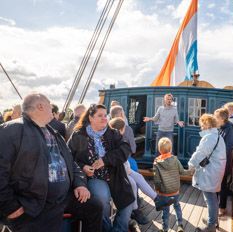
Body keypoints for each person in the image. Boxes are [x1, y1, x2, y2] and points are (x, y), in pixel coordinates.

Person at [0, 93, 103, 232]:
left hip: (62, 198)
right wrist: (10, 207)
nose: (55, 110)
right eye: (50, 104)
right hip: (33, 203)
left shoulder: (53, 132)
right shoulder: (12, 130)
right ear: (41, 106)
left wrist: (80, 184)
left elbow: (71, 162)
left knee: (94, 207)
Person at [68, 104, 135, 232]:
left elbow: (126, 149)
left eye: (105, 115)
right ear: (90, 118)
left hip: (115, 174)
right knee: (101, 198)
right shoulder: (79, 135)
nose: (104, 118)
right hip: (94, 177)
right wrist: (83, 167)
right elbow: (69, 158)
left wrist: (105, 160)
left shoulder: (112, 133)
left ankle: (118, 229)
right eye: (100, 115)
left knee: (128, 200)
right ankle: (106, 229)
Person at [109, 117, 175, 226]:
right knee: (133, 184)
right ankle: (135, 210)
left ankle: (157, 200)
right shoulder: (114, 141)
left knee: (139, 177)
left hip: (124, 170)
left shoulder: (118, 139)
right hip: (116, 173)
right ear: (121, 130)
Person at [188, 114, 226, 232]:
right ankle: (213, 219)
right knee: (212, 196)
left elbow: (200, 153)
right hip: (215, 169)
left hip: (211, 171)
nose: (201, 127)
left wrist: (191, 165)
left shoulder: (209, 137)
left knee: (210, 198)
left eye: (202, 124)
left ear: (207, 124)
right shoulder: (216, 135)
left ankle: (211, 226)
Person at [154, 137, 191, 232]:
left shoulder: (156, 163)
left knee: (165, 211)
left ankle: (165, 228)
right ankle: (180, 225)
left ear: (159, 150)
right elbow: (182, 172)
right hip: (175, 190)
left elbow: (157, 180)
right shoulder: (175, 159)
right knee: (177, 206)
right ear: (170, 149)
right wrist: (191, 171)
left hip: (164, 192)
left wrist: (157, 190)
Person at [214, 108, 233, 217]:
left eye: (216, 117)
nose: (214, 119)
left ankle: (222, 208)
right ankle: (216, 206)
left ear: (222, 118)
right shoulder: (221, 128)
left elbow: (228, 147)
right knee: (217, 184)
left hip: (224, 162)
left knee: (222, 185)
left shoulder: (229, 130)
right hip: (218, 161)